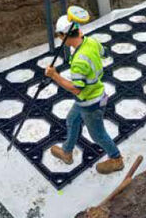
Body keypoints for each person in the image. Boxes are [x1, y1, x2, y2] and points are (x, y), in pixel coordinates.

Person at [45, 15, 124, 174]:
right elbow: (105, 53)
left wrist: (54, 76)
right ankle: (67, 152)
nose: (60, 40)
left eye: (59, 36)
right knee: (72, 120)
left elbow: (76, 89)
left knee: (98, 135)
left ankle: (117, 159)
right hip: (91, 97)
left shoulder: (79, 61)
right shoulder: (91, 41)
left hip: (90, 103)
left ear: (63, 36)